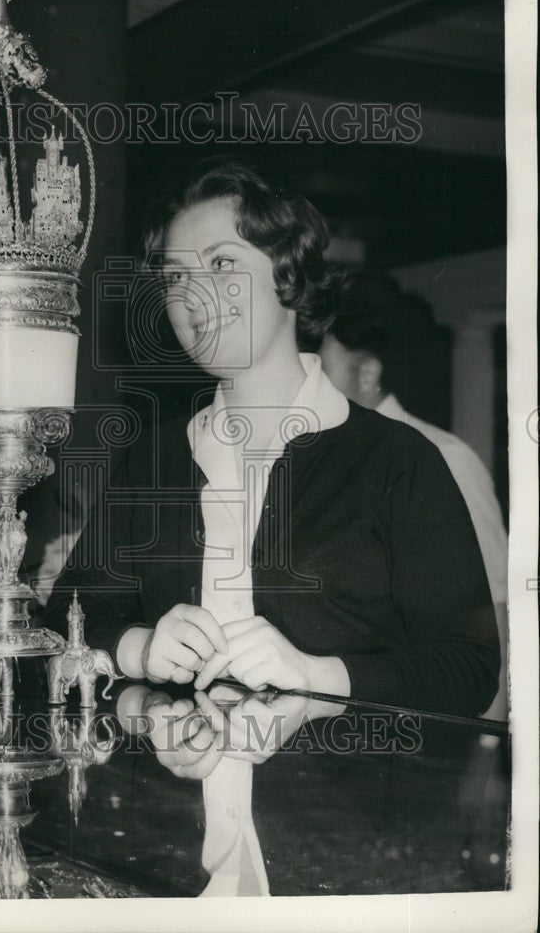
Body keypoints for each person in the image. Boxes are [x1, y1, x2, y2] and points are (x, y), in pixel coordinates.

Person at [43, 162, 500, 722]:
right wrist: (137, 648)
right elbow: (61, 620)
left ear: (288, 275)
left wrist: (316, 679)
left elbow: (469, 670)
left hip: (342, 802)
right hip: (182, 801)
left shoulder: (399, 462)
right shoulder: (153, 460)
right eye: (175, 276)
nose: (192, 297)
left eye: (221, 263)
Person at [317, 271, 508, 720]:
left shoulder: (441, 457)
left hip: (438, 730)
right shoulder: (330, 462)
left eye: (321, 369)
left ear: (368, 373)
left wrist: (483, 749)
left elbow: (492, 618)